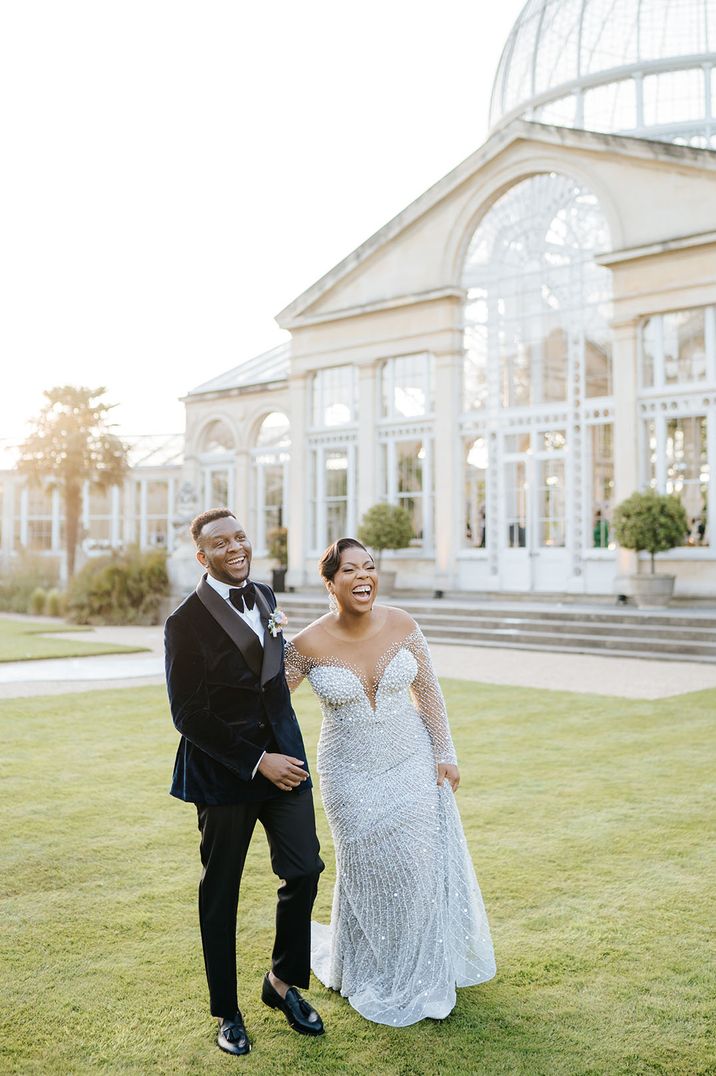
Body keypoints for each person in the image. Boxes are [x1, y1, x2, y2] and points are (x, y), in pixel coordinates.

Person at [284, 537, 496, 1027]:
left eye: (370, 567)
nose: (364, 577)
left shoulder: (403, 625)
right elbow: (269, 706)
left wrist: (445, 753)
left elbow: (429, 691)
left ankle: (420, 975)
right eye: (351, 571)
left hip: (410, 761)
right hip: (348, 774)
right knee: (368, 871)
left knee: (418, 869)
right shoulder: (305, 645)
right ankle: (365, 964)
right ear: (331, 582)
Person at [164, 508, 325, 1056]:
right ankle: (227, 1011)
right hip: (226, 775)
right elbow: (188, 713)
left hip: (288, 764)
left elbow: (274, 681)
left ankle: (282, 984)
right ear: (201, 554)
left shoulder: (265, 597)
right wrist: (257, 760)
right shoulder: (183, 622)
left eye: (240, 537)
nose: (235, 547)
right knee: (222, 890)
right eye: (220, 542)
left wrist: (284, 751)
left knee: (304, 870)